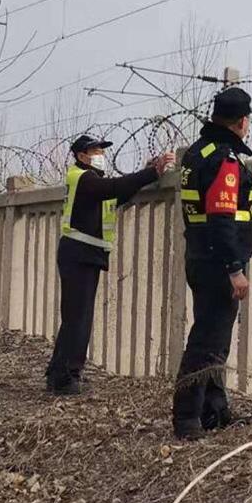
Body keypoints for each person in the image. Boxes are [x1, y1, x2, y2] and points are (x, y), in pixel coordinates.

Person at [46, 135, 174, 396]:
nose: (100, 154)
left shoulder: (92, 182)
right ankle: (66, 377)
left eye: (101, 150)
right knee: (78, 319)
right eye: (95, 150)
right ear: (81, 156)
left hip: (84, 253)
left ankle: (59, 372)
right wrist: (152, 172)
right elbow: (114, 187)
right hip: (79, 253)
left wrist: (148, 173)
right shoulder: (82, 178)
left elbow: (119, 193)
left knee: (75, 317)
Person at [172, 87, 252, 440]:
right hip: (219, 262)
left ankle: (214, 410)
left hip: (199, 255)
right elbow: (222, 218)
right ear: (241, 122)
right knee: (207, 342)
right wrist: (235, 268)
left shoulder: (196, 153)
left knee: (214, 339)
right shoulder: (225, 159)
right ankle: (187, 419)